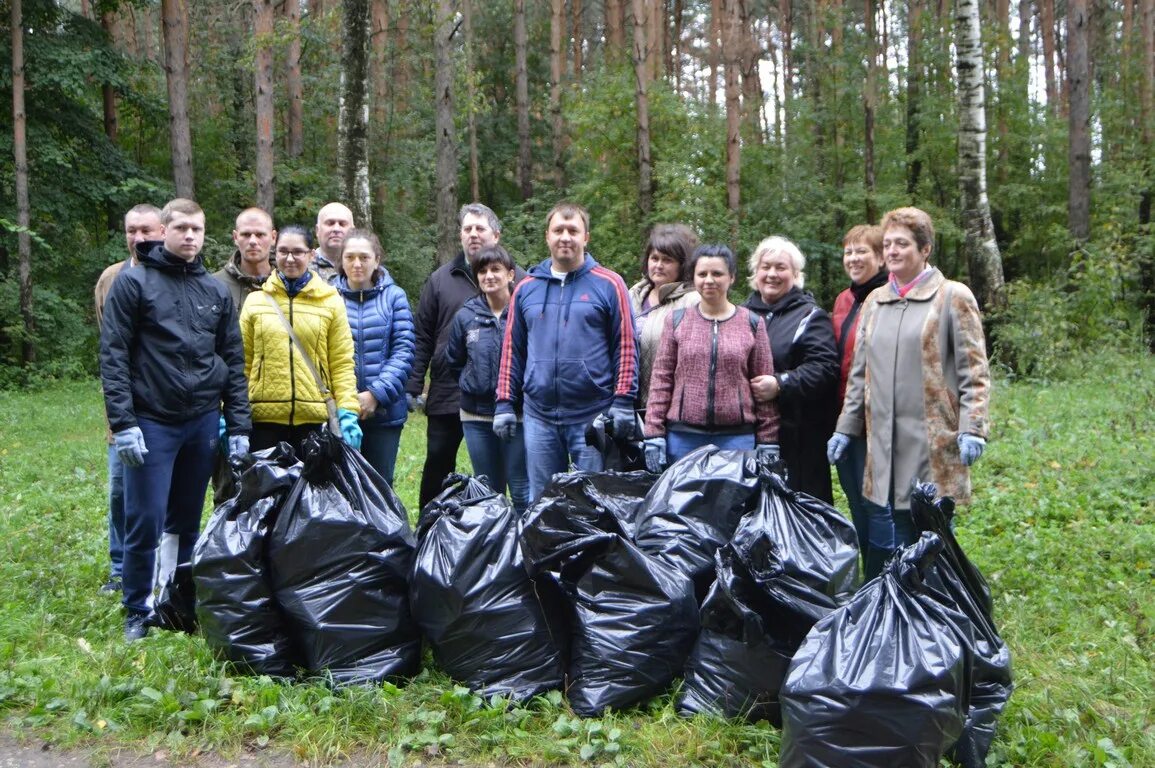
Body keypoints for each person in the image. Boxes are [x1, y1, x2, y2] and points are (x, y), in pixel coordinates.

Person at [99, 198, 251, 640]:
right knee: (144, 518)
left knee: (184, 519)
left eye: (197, 230)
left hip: (202, 420)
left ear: (205, 235)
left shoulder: (215, 290)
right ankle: (137, 609)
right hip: (152, 421)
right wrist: (124, 422)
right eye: (181, 227)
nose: (189, 236)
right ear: (162, 231)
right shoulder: (134, 284)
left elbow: (232, 361)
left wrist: (238, 426)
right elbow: (114, 356)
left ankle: (173, 599)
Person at [828, 206, 991, 579]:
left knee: (933, 531)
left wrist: (974, 426)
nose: (893, 251)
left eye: (902, 243)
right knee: (897, 529)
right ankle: (906, 613)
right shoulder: (875, 302)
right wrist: (845, 427)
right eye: (887, 244)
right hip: (883, 442)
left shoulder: (952, 297)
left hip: (932, 442)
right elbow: (859, 375)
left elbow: (975, 370)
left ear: (925, 249)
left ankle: (945, 611)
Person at [494, 201, 638, 502]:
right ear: (547, 236)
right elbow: (512, 350)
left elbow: (625, 345)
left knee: (597, 501)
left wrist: (624, 401)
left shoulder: (610, 284)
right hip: (539, 416)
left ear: (585, 237)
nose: (565, 237)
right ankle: (546, 551)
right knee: (544, 501)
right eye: (558, 230)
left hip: (591, 415)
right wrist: (505, 403)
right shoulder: (526, 288)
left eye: (573, 230)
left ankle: (595, 551)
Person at [406, 203, 526, 511]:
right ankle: (430, 527)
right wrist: (414, 385)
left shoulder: (523, 282)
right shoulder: (439, 280)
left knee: (516, 477)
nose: (473, 235)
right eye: (467, 229)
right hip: (450, 392)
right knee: (438, 462)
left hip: (510, 399)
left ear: (496, 235)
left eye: (480, 228)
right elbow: (422, 335)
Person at [642, 244, 780, 471]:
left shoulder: (752, 323)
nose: (709, 280)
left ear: (731, 277)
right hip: (683, 438)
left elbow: (763, 387)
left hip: (737, 439)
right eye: (702, 274)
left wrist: (768, 439)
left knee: (733, 505)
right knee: (684, 506)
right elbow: (661, 380)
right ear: (693, 277)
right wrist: (654, 432)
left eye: (717, 273)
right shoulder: (676, 320)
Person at [240, 225, 362, 455]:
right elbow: (241, 364)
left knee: (312, 491)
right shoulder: (256, 301)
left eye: (298, 252)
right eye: (283, 251)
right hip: (263, 422)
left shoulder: (330, 301)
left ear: (311, 254)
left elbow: (341, 363)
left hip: (313, 421)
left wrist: (347, 411)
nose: (289, 258)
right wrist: (232, 415)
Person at [93, 204, 164, 595]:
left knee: (163, 493)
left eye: (146, 230)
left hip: (168, 407)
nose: (139, 238)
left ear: (162, 231)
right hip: (124, 408)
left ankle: (165, 566)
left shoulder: (173, 276)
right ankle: (121, 566)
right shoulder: (110, 279)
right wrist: (117, 415)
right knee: (122, 489)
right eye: (131, 231)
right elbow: (110, 349)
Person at [744, 236, 840, 502]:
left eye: (781, 267)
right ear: (756, 271)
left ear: (795, 274)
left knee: (799, 515)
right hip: (748, 434)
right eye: (765, 267)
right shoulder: (740, 314)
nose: (772, 274)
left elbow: (824, 368)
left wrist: (780, 383)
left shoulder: (810, 316)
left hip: (798, 439)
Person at [440, 244, 530, 514]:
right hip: (476, 416)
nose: (489, 276)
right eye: (482, 271)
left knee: (521, 487)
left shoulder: (524, 311)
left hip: (519, 414)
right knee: (488, 491)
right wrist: (473, 382)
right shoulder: (465, 316)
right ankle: (496, 547)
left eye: (495, 270)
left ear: (510, 274)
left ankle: (525, 546)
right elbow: (454, 360)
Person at [336, 229, 415, 486]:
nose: (357, 264)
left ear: (377, 260)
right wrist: (345, 400)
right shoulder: (326, 297)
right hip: (338, 412)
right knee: (341, 486)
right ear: (342, 260)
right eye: (350, 257)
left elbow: (403, 351)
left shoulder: (394, 297)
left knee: (380, 486)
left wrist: (375, 395)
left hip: (384, 412)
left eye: (364, 257)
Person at [830, 224, 888, 559]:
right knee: (855, 500)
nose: (853, 258)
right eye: (849, 251)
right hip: (842, 417)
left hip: (876, 417)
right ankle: (869, 572)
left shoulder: (891, 298)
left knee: (878, 503)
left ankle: (885, 580)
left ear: (881, 257)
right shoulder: (843, 299)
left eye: (862, 251)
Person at [628, 223, 700, 411]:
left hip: (671, 408)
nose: (658, 266)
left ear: (681, 265)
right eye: (654, 258)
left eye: (667, 260)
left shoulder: (693, 302)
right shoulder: (633, 295)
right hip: (628, 405)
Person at [214, 207, 275, 308]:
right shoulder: (215, 286)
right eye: (246, 234)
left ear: (273, 237)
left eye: (260, 235)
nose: (253, 241)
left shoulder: (288, 284)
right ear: (235, 237)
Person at [313, 202, 354, 283]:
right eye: (330, 223)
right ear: (317, 230)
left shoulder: (366, 268)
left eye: (342, 224)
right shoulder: (301, 267)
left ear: (353, 231)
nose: (336, 229)